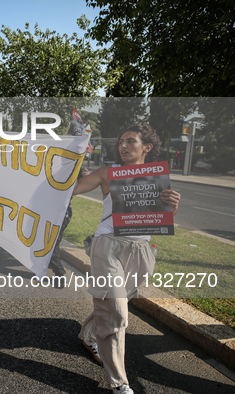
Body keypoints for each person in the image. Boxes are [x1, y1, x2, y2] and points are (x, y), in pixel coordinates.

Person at [72, 124, 181, 394]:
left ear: (147, 147)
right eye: (121, 141)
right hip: (107, 246)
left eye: (130, 141)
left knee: (112, 305)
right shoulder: (107, 174)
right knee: (118, 313)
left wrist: (173, 206)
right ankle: (119, 384)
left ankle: (89, 335)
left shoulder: (156, 179)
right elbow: (72, 189)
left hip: (141, 252)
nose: (123, 146)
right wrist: (72, 166)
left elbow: (160, 219)